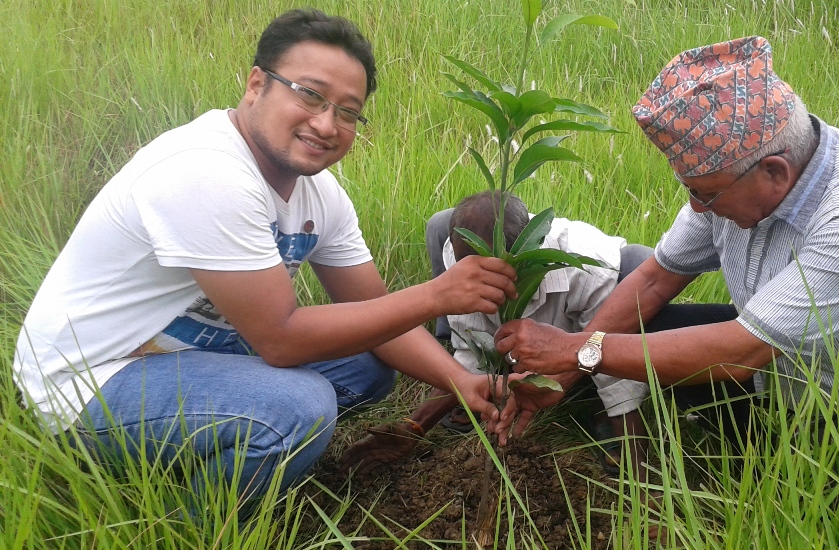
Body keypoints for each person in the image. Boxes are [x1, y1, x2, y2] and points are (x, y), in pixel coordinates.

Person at [12, 9, 517, 517]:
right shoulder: (205, 172)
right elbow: (281, 339)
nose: (326, 123)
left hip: (182, 360)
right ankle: (180, 525)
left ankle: (222, 443)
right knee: (300, 408)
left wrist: (462, 380)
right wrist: (436, 294)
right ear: (257, 85)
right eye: (310, 94)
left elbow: (375, 310)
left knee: (369, 365)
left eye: (347, 112)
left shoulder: (321, 196)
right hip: (89, 383)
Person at [491, 36, 839, 466]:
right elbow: (656, 278)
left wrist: (579, 349)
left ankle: (769, 464)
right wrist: (564, 371)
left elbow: (743, 352)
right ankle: (743, 440)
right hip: (789, 367)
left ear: (775, 173)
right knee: (645, 328)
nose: (695, 208)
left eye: (705, 193)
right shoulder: (727, 184)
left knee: (808, 505)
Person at [337, 190, 652, 475]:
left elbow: (603, 354)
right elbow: (471, 344)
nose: (487, 286)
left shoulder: (589, 268)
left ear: (530, 249)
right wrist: (415, 425)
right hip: (520, 345)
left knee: (637, 267)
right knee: (438, 223)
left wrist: (639, 474)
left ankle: (596, 405)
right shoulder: (461, 260)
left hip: (585, 336)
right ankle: (485, 388)